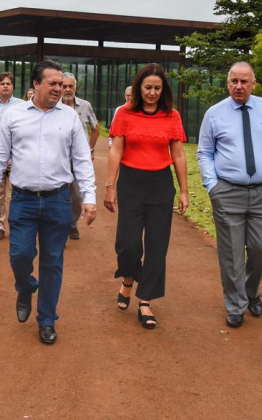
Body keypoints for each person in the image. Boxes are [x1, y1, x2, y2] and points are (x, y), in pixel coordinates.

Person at [0, 60, 97, 345]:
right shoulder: (14, 115)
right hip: (23, 199)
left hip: (57, 199)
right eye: (53, 84)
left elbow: (82, 159)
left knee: (52, 262)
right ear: (35, 84)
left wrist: (89, 197)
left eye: (61, 84)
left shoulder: (69, 117)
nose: (59, 89)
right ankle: (25, 286)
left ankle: (47, 319)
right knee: (19, 256)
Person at [196, 61, 262, 328]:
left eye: (244, 81)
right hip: (227, 192)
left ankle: (251, 290)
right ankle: (235, 305)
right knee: (231, 253)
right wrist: (213, 186)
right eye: (234, 81)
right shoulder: (214, 113)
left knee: (261, 249)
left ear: (254, 84)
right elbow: (205, 152)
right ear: (227, 82)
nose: (238, 86)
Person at [104, 64, 189, 329]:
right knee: (127, 244)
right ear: (139, 88)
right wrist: (110, 185)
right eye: (148, 87)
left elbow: (178, 155)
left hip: (160, 184)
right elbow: (116, 151)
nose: (152, 92)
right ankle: (128, 277)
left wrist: (184, 190)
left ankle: (145, 300)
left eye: (157, 88)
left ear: (163, 90)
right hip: (131, 182)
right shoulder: (125, 114)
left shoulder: (171, 116)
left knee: (157, 245)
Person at [60, 72, 99, 240]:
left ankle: (72, 223)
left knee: (76, 195)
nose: (68, 89)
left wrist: (90, 149)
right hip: (59, 158)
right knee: (59, 194)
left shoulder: (85, 105)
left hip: (77, 159)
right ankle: (60, 226)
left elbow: (95, 127)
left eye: (71, 86)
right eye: (64, 86)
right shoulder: (54, 106)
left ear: (75, 87)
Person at [0, 72, 24, 241]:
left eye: (9, 83)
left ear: (13, 86)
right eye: (2, 83)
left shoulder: (22, 105)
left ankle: (18, 224)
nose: (6, 86)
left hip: (17, 155)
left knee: (18, 191)